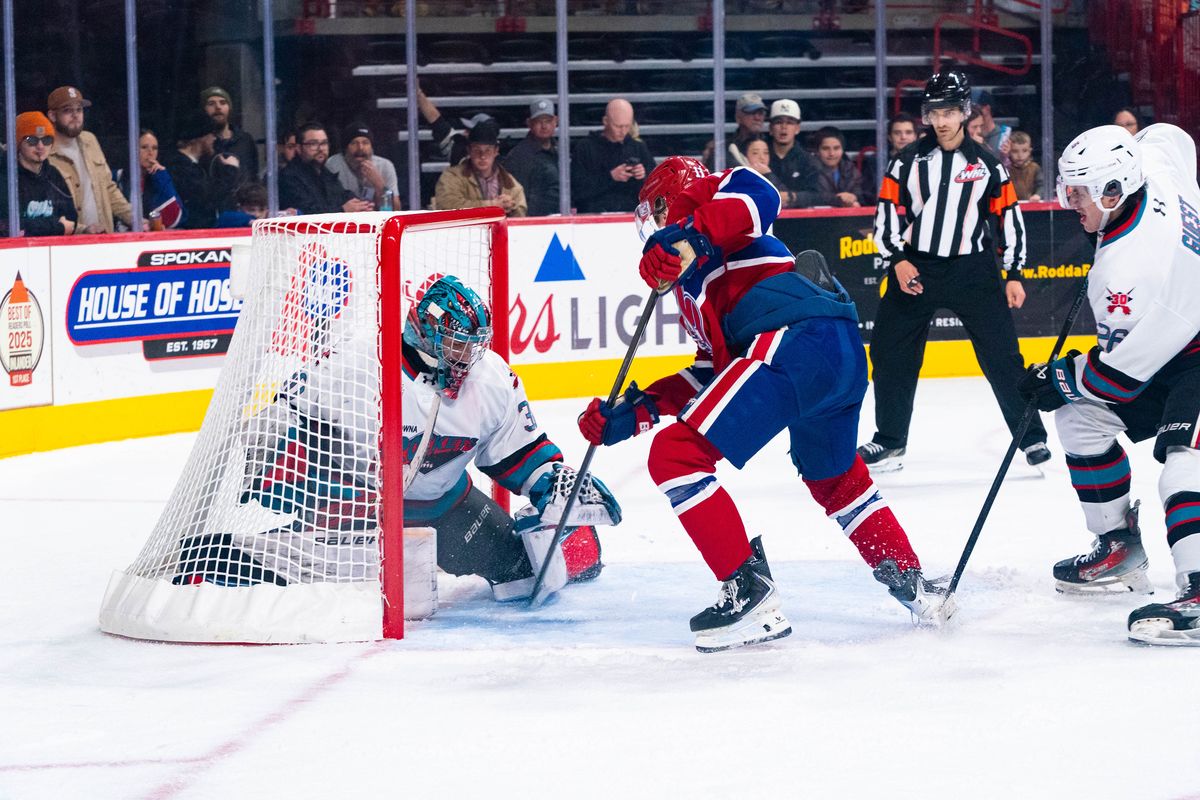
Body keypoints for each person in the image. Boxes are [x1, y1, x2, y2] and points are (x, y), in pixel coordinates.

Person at [578, 156, 955, 653]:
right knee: (835, 479)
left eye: (656, 212)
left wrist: (688, 234)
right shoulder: (693, 291)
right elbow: (712, 371)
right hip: (832, 354)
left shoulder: (720, 194)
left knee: (676, 455)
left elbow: (762, 200)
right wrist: (635, 410)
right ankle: (913, 582)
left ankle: (748, 594)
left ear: (671, 201)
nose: (654, 228)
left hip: (794, 341)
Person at [231, 276, 618, 603]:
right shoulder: (356, 362)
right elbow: (277, 426)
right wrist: (311, 486)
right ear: (427, 333)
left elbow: (518, 451)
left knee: (563, 563)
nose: (468, 356)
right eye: (457, 344)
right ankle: (242, 555)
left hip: (445, 507)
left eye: (474, 344)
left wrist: (551, 486)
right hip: (361, 508)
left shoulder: (492, 378)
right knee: (367, 600)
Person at [1017, 123, 1200, 645]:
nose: (1068, 201)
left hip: (1190, 351)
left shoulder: (1127, 269)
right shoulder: (1155, 166)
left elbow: (1117, 378)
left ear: (1114, 191)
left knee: (1183, 468)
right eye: (1067, 188)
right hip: (1177, 344)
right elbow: (1171, 135)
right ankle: (1119, 547)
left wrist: (1060, 376)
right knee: (1080, 421)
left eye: (1078, 192)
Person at [859, 69, 1050, 472]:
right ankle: (890, 441)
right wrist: (898, 259)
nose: (941, 121)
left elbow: (1007, 217)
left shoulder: (987, 165)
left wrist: (1014, 271)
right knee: (890, 353)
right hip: (916, 268)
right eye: (934, 112)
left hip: (973, 271)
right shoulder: (907, 160)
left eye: (949, 112)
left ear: (965, 112)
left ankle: (1031, 438)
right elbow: (886, 214)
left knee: (1002, 357)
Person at [46, 85, 132, 234]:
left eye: (79, 109)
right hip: (67, 244)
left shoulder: (90, 140)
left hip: (103, 238)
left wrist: (135, 219)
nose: (75, 115)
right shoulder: (45, 150)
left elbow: (109, 187)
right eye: (67, 110)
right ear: (52, 116)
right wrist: (81, 230)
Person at [570, 98, 655, 213]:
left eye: (627, 126)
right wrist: (610, 177)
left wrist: (643, 176)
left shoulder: (638, 147)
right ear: (605, 121)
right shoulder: (585, 148)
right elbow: (577, 190)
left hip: (630, 216)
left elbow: (655, 188)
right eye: (618, 126)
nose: (623, 131)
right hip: (593, 218)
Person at [162, 110, 240, 230]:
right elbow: (208, 198)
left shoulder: (192, 164)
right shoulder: (179, 166)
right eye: (211, 134)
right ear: (200, 138)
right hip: (191, 235)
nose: (214, 138)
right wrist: (230, 171)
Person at [433, 120, 526, 217]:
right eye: (477, 150)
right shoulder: (451, 177)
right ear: (469, 151)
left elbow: (521, 214)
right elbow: (447, 206)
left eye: (488, 150)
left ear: (496, 151)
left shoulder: (510, 183)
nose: (482, 156)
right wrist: (493, 205)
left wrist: (511, 207)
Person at [279, 122, 372, 215]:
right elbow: (306, 212)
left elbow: (344, 196)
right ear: (299, 148)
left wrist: (361, 205)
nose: (320, 149)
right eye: (313, 144)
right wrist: (342, 210)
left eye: (324, 143)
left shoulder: (325, 173)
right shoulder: (289, 177)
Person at [13, 111, 76, 236]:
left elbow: (71, 221)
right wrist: (57, 228)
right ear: (19, 144)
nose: (40, 146)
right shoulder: (8, 178)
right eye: (31, 140)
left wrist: (32, 227)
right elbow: (9, 227)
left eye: (47, 140)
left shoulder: (53, 175)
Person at [501, 98, 560, 216]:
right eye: (539, 121)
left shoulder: (559, 150)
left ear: (555, 121)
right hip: (534, 224)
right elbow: (517, 200)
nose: (544, 126)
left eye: (548, 121)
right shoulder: (519, 156)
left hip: (558, 219)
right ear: (529, 123)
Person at [117, 129, 185, 229]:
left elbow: (176, 218)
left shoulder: (161, 176)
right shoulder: (118, 177)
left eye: (155, 148)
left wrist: (161, 177)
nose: (150, 153)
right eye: (144, 147)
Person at [326, 122, 400, 209]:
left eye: (365, 143)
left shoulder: (385, 166)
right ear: (346, 148)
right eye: (354, 143)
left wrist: (379, 185)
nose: (360, 147)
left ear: (371, 147)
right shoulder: (333, 165)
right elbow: (325, 205)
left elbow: (396, 210)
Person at [201, 86, 259, 195]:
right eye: (211, 103)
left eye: (223, 102)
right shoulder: (202, 143)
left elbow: (253, 175)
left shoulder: (245, 140)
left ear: (229, 107)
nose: (218, 107)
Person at [766, 98, 821, 208]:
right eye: (778, 122)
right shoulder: (759, 156)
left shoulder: (808, 160)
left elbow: (817, 195)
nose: (784, 127)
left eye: (790, 122)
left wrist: (791, 197)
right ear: (770, 128)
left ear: (797, 128)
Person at [861, 113, 920, 203]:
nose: (903, 137)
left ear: (915, 136)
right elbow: (868, 195)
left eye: (908, 132)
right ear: (889, 137)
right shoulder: (875, 162)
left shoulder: (927, 161)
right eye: (897, 133)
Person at [701, 92, 767, 171]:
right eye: (751, 113)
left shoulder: (771, 145)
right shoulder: (722, 149)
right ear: (738, 117)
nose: (757, 118)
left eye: (760, 113)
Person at [813, 126, 863, 207]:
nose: (831, 153)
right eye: (825, 148)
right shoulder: (809, 170)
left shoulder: (851, 169)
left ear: (842, 150)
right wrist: (838, 199)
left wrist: (854, 197)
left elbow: (861, 195)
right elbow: (813, 197)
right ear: (817, 151)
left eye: (836, 148)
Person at [971, 88, 1012, 163]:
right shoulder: (967, 134)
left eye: (975, 108)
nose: (971, 111)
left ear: (987, 109)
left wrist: (1005, 158)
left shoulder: (1004, 135)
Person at [1006, 130, 1042, 201]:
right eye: (1015, 151)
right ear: (1009, 151)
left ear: (1030, 151)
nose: (1020, 155)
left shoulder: (1035, 168)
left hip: (1030, 205)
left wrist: (1038, 195)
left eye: (1025, 151)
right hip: (1011, 205)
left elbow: (1041, 185)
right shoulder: (1007, 169)